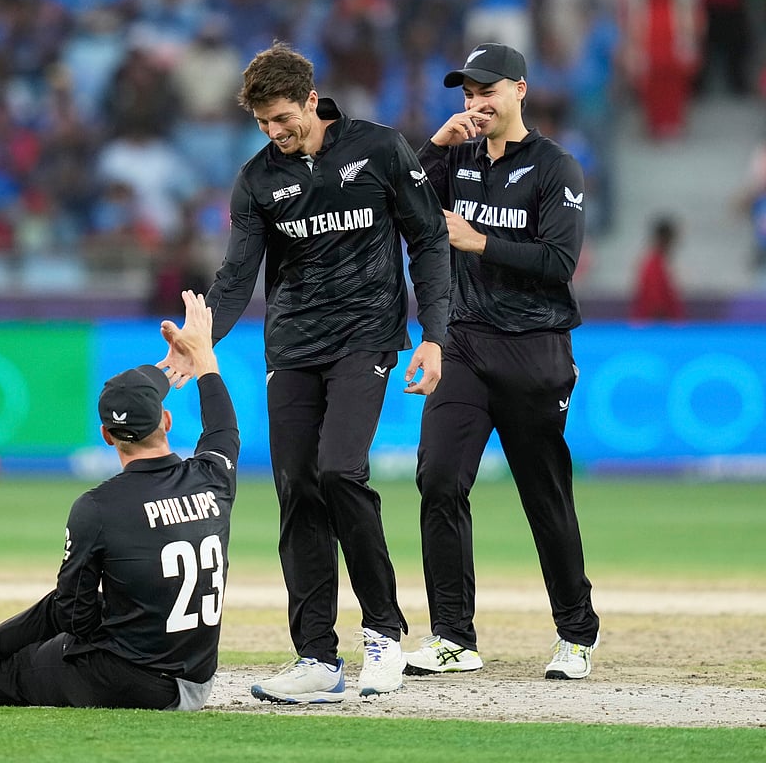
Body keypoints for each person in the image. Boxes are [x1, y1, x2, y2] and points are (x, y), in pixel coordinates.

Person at [166, 41, 450, 703]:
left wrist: (435, 336)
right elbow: (237, 276)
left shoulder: (378, 149)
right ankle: (316, 657)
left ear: (310, 98)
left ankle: (383, 634)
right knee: (296, 488)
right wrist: (200, 339)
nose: (275, 133)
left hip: (367, 338)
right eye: (263, 124)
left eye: (282, 119)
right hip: (292, 346)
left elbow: (429, 239)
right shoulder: (257, 178)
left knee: (338, 471)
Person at [0, 290, 239, 711]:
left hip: (138, 684)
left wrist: (81, 636)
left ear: (107, 436)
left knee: (17, 666)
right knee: (94, 607)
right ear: (166, 420)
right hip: (197, 678)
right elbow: (223, 426)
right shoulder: (213, 478)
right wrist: (201, 358)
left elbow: (73, 618)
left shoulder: (99, 507)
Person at [405, 42, 601, 681]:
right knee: (438, 480)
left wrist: (477, 240)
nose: (474, 104)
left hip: (534, 349)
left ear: (519, 89)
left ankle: (576, 634)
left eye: (486, 91)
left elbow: (558, 264)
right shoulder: (455, 158)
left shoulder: (555, 168)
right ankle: (453, 639)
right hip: (462, 341)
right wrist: (435, 144)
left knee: (544, 496)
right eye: (465, 94)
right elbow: (395, 198)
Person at [630, 215, 684, 321]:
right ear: (664, 239)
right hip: (656, 329)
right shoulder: (653, 265)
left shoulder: (659, 263)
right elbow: (656, 306)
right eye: (671, 239)